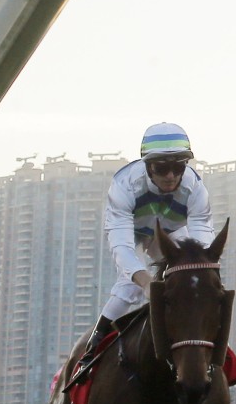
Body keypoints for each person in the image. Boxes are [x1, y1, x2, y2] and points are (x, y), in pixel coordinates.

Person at [71, 123, 215, 383]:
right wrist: (146, 281)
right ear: (148, 166)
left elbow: (202, 237)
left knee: (190, 276)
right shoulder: (124, 185)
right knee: (131, 286)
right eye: (161, 168)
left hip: (170, 231)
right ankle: (92, 347)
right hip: (133, 232)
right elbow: (122, 247)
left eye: (179, 167)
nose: (171, 175)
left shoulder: (195, 187)